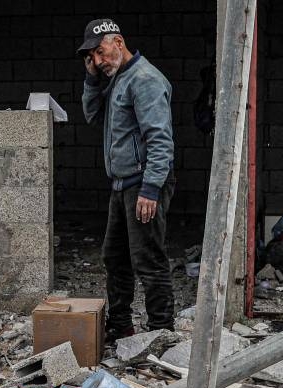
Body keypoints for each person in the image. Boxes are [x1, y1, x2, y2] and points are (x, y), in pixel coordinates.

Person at [79, 19, 177, 342]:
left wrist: (150, 190)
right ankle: (121, 327)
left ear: (118, 42)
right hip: (121, 185)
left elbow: (160, 140)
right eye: (92, 56)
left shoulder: (144, 79)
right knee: (115, 257)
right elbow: (92, 115)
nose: (98, 61)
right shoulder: (117, 80)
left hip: (142, 185)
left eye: (101, 53)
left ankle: (161, 332)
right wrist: (92, 79)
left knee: (148, 258)